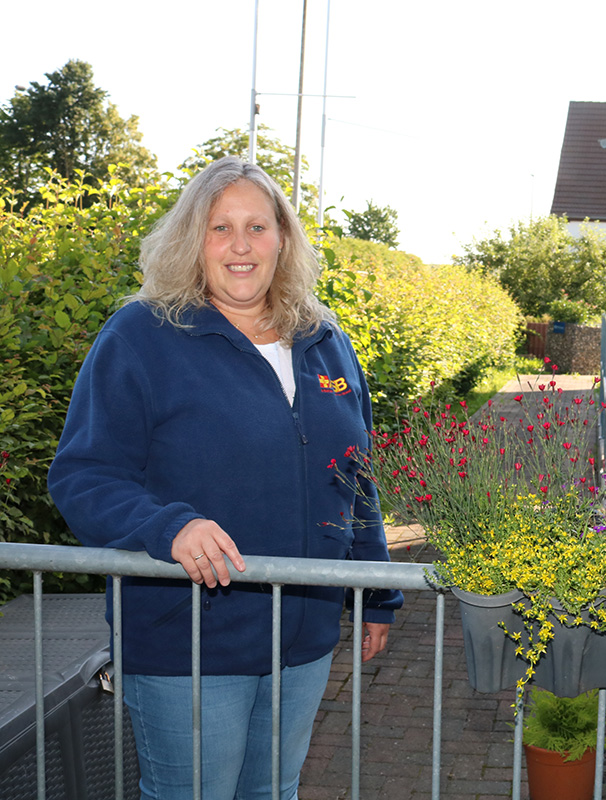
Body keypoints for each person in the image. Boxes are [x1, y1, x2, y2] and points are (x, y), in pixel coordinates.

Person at [48, 156, 403, 799]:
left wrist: (374, 589)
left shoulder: (325, 340)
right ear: (193, 241)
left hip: (304, 636)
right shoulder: (142, 336)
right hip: (187, 640)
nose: (240, 246)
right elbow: (84, 474)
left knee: (274, 792)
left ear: (283, 240)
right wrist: (168, 525)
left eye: (257, 227)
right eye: (219, 228)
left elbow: (354, 476)